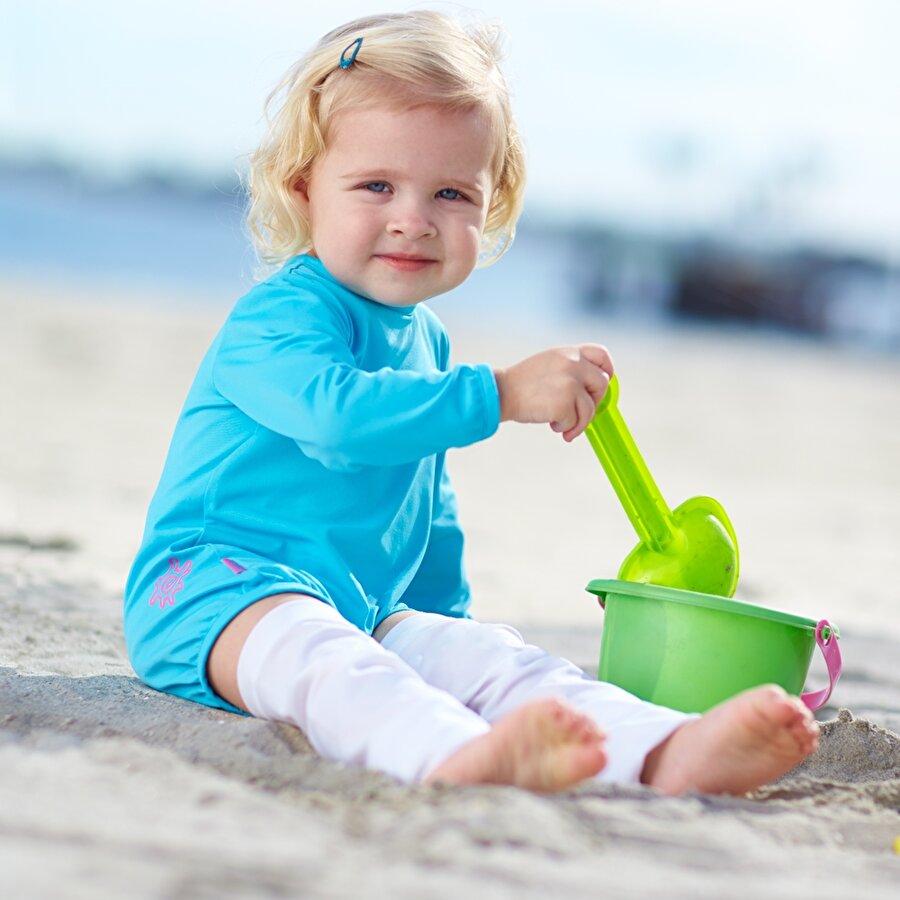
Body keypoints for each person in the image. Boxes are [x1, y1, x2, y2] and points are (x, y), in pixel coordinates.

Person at [124, 10, 818, 793]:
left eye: (451, 192)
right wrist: (503, 393)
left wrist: (444, 623)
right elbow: (340, 419)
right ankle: (449, 754)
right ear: (304, 188)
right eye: (376, 185)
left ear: (490, 209)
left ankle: (661, 750)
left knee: (497, 659)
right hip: (215, 589)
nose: (413, 219)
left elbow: (427, 509)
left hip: (361, 600)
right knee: (324, 659)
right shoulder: (277, 317)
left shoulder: (429, 342)